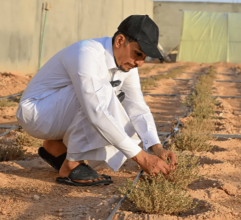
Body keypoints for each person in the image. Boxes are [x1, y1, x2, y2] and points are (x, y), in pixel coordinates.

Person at [16, 15, 177, 186]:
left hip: (57, 116)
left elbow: (137, 106)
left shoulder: (127, 65)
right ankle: (71, 165)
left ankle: (56, 147)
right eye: (138, 53)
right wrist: (142, 157)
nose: (141, 63)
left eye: (145, 57)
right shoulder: (87, 53)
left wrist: (156, 148)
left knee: (109, 98)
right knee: (103, 93)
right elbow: (96, 111)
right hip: (37, 113)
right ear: (120, 41)